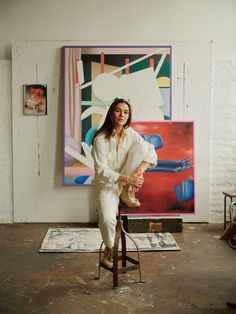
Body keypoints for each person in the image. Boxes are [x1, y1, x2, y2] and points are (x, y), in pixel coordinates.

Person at [91, 98, 157, 268]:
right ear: (111, 112)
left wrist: (138, 174)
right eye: (118, 110)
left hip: (127, 179)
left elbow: (151, 151)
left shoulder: (131, 133)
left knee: (143, 147)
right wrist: (130, 179)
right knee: (106, 219)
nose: (122, 115)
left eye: (126, 112)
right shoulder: (100, 139)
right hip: (106, 184)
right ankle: (109, 249)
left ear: (129, 116)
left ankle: (127, 192)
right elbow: (101, 171)